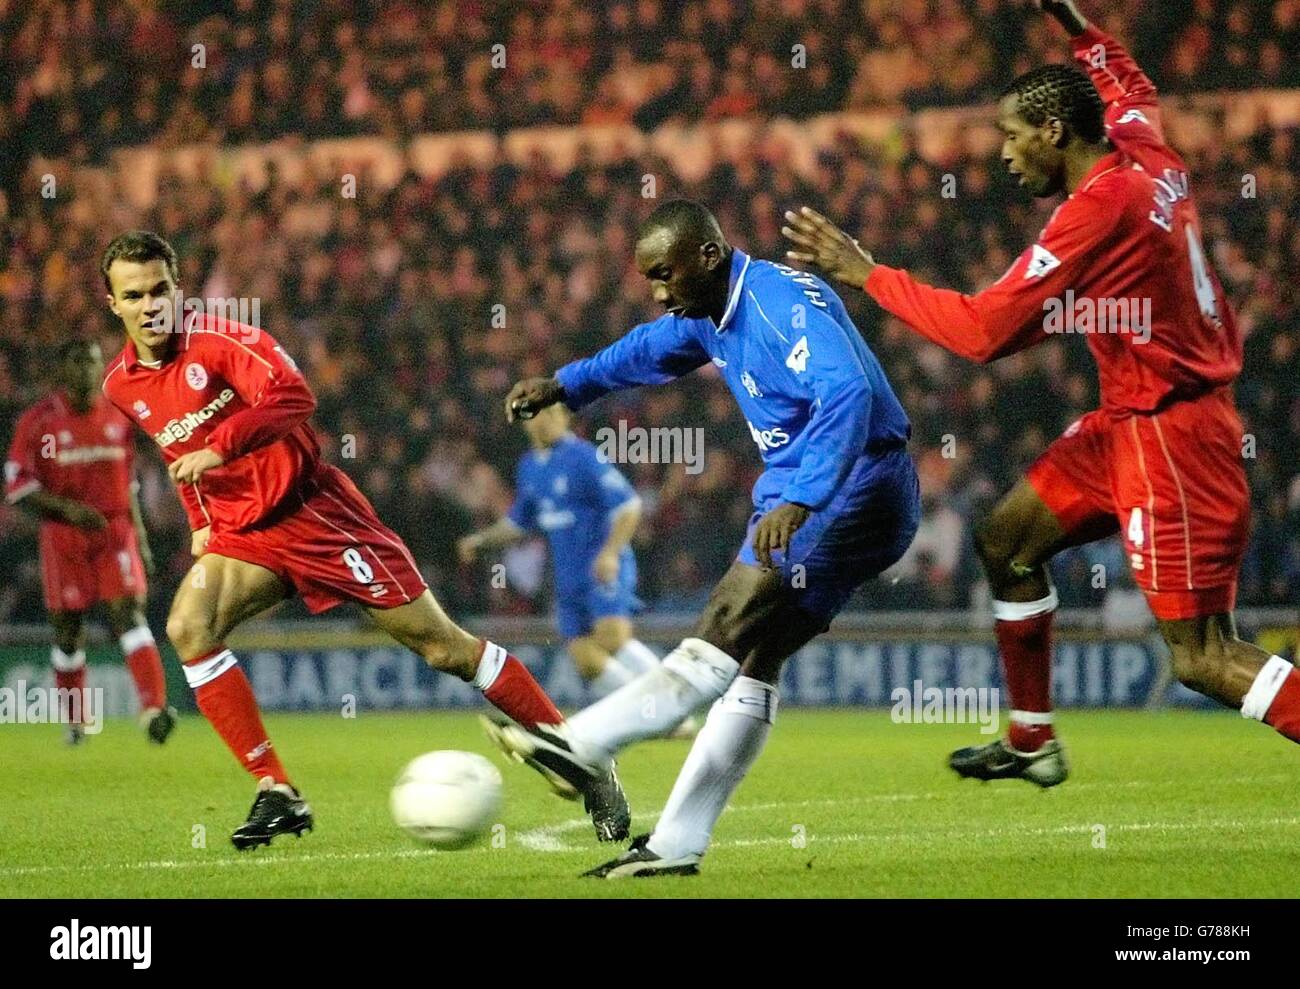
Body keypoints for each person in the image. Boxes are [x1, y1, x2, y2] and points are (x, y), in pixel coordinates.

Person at [782, 0, 1298, 787]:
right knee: (1006, 540)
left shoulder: (1096, 212)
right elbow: (1127, 79)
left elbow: (984, 331)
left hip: (1174, 439)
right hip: (1125, 423)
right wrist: (1070, 17)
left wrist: (866, 274)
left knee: (1202, 656)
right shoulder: (1142, 149)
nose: (1005, 155)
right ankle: (1031, 739)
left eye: (1012, 136)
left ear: (1054, 132)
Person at [98, 230, 628, 848]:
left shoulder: (222, 340)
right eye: (134, 296)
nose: (150, 306)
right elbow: (175, 450)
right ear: (114, 305)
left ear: (179, 288)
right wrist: (199, 520)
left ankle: (586, 762)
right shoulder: (121, 385)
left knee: (445, 650)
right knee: (189, 627)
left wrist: (222, 446)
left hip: (316, 515)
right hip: (247, 534)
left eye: (160, 289)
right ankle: (278, 791)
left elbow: (294, 396)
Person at [487, 199, 919, 877]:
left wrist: (805, 496)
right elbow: (643, 348)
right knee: (756, 656)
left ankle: (583, 742)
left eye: (665, 274)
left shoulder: (779, 305)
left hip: (852, 482)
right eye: (650, 278)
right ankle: (675, 844)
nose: (659, 292)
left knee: (726, 617)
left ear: (709, 256)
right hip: (825, 486)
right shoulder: (709, 311)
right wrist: (562, 385)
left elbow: (849, 393)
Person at [458, 403, 691, 718]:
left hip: (602, 566)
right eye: (543, 413)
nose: (553, 419)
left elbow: (629, 506)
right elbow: (518, 524)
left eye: (557, 413)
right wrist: (481, 540)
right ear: (526, 422)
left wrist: (609, 553)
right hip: (567, 577)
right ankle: (653, 715)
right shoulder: (529, 466)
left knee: (612, 637)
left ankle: (677, 704)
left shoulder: (582, 457)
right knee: (585, 657)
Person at [5, 339, 173, 745]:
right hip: (64, 536)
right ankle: (76, 720)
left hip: (115, 532)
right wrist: (69, 510)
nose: (86, 370)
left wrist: (143, 540)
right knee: (68, 631)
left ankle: (154, 709)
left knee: (129, 614)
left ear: (101, 368)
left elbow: (129, 483)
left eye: (93, 362)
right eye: (78, 360)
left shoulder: (118, 415)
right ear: (64, 370)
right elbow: (17, 487)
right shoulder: (39, 421)